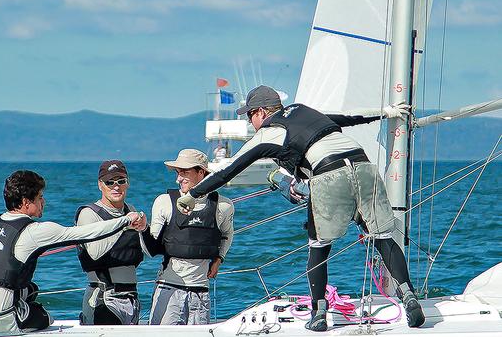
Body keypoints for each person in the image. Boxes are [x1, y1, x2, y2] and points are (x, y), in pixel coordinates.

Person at [176, 85, 424, 332]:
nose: (251, 122)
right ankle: (409, 297)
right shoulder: (303, 111)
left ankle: (318, 313)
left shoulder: (268, 132)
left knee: (318, 247)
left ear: (262, 112)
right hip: (363, 165)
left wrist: (193, 195)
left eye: (250, 115)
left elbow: (228, 169)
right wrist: (387, 111)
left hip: (329, 173)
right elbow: (348, 117)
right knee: (382, 238)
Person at [0, 170, 144, 334]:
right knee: (46, 318)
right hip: (5, 319)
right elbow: (86, 233)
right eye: (40, 197)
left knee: (31, 289)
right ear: (26, 202)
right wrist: (126, 220)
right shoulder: (35, 231)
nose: (44, 201)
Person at [141, 149, 234, 325]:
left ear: (201, 172)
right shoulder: (164, 202)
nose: (178, 179)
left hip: (201, 291)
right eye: (177, 173)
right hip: (168, 288)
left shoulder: (223, 206)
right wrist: (142, 229)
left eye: (184, 172)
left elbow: (227, 234)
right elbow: (150, 249)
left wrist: (219, 259)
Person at [75, 160, 147, 325]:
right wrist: (123, 225)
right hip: (104, 298)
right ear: (100, 185)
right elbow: (95, 253)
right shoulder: (89, 214)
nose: (116, 187)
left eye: (121, 181)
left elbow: (146, 250)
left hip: (132, 297)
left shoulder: (131, 209)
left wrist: (144, 228)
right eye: (110, 182)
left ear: (127, 183)